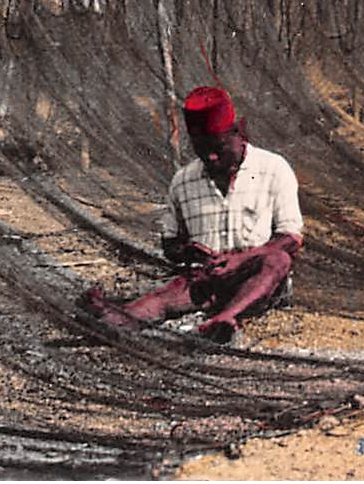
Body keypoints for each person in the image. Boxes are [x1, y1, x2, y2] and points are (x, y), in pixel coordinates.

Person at [81, 86, 303, 343]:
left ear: (237, 134)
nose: (211, 156)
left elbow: (291, 238)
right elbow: (171, 244)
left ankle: (227, 318)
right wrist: (190, 251)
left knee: (277, 260)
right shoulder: (183, 181)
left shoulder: (273, 168)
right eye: (201, 149)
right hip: (207, 279)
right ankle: (108, 317)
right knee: (162, 298)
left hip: (255, 277)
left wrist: (241, 260)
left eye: (218, 147)